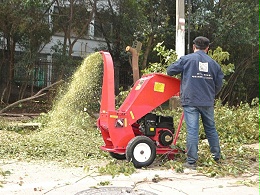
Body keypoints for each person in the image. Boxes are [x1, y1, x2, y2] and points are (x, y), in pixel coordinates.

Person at [166, 36, 224, 170]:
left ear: (194, 47)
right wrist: (210, 94)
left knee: (192, 130)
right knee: (210, 128)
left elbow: (170, 71)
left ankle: (191, 161)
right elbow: (219, 84)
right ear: (208, 48)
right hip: (207, 101)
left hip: (190, 100)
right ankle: (217, 157)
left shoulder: (187, 59)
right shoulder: (214, 64)